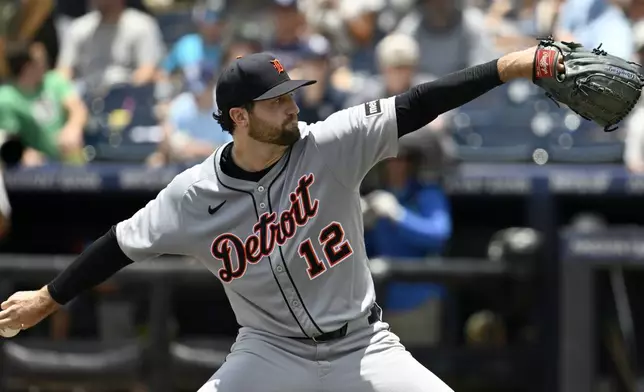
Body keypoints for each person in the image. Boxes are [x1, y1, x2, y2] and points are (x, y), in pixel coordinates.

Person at [0, 45, 563, 391]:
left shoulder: (331, 142)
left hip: (363, 346)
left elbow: (419, 102)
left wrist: (510, 65)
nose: (293, 106)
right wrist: (47, 299)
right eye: (277, 100)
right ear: (240, 117)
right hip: (268, 352)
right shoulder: (192, 194)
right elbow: (117, 246)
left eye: (291, 94)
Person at [0, 42, 87, 166]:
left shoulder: (55, 81)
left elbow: (77, 109)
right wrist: (24, 153)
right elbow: (9, 137)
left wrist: (73, 127)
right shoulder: (6, 98)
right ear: (27, 67)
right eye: (40, 61)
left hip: (69, 158)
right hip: (33, 167)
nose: (46, 64)